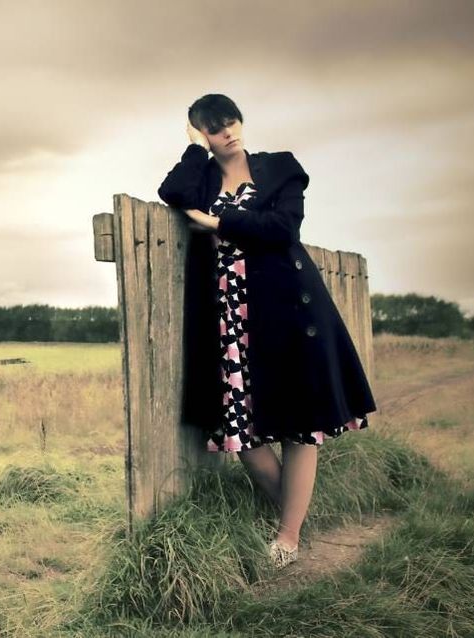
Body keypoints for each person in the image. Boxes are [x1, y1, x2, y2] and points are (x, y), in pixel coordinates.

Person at [156, 94, 377, 569]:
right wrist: (196, 149)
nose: (228, 132)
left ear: (242, 121)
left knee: (300, 426)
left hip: (288, 311)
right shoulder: (203, 175)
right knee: (242, 432)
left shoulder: (280, 167)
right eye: (215, 129)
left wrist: (218, 220)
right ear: (202, 133)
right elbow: (172, 192)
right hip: (230, 318)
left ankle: (288, 535)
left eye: (231, 122)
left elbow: (283, 227)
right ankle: (295, 515)